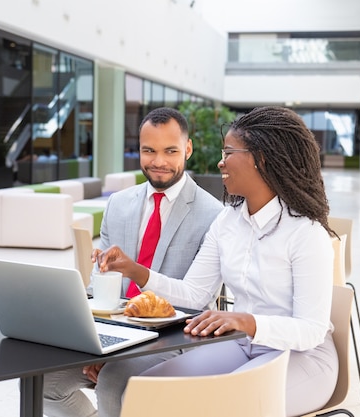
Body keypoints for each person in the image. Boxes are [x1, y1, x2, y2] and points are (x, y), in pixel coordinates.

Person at [96, 106, 339, 417]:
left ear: (260, 159)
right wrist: (136, 271)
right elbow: (194, 294)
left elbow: (311, 330)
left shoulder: (305, 232)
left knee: (224, 407)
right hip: (243, 344)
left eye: (228, 152)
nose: (220, 162)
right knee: (146, 388)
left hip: (303, 357)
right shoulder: (228, 222)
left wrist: (245, 321)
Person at [42, 107, 224, 417]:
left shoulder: (215, 214)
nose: (159, 162)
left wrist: (116, 357)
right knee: (43, 380)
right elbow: (100, 283)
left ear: (188, 149)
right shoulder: (118, 204)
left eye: (171, 151)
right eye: (148, 150)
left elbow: (199, 300)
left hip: (175, 340)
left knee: (113, 381)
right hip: (118, 333)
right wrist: (95, 343)